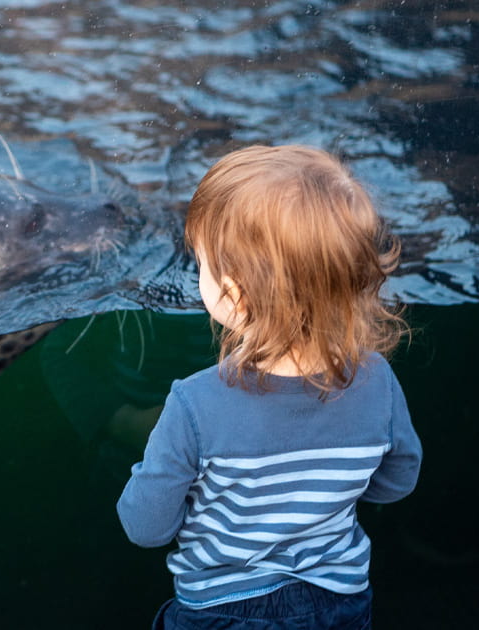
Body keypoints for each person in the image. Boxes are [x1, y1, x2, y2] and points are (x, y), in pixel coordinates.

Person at [117, 145, 422, 629]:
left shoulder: (194, 404)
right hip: (340, 603)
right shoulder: (377, 381)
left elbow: (145, 527)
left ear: (233, 295)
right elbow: (397, 479)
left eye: (203, 265)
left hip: (220, 609)